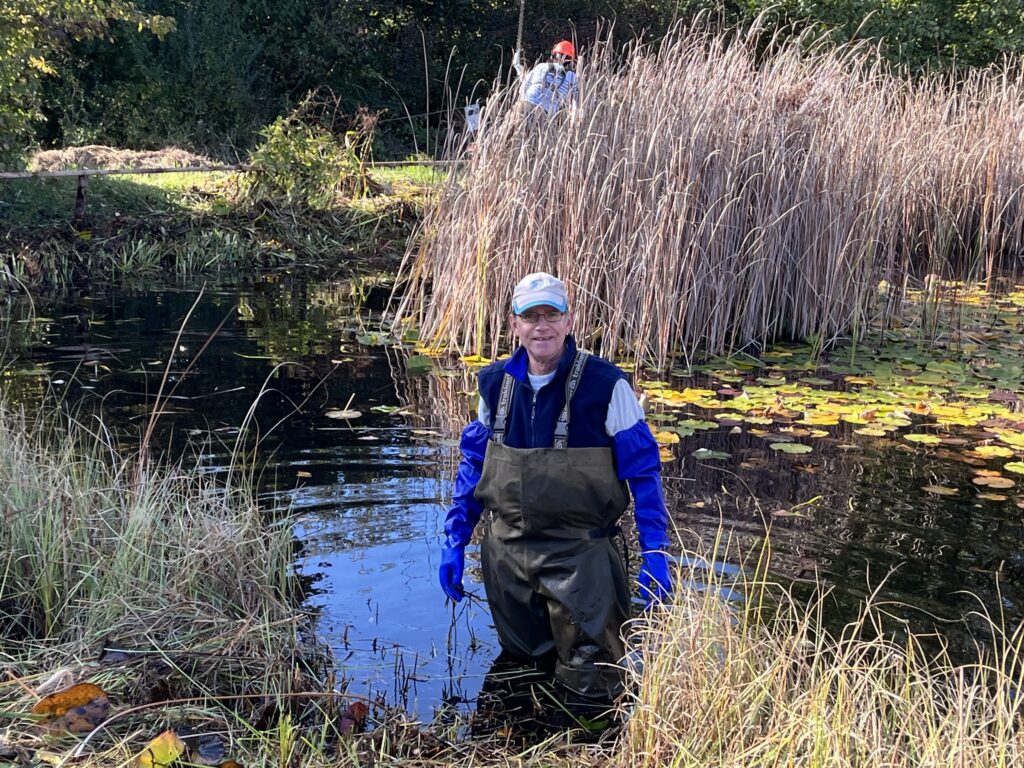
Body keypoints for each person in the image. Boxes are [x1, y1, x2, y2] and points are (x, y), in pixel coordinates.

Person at [438, 271, 673, 716]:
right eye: (531, 316)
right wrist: (455, 540)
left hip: (581, 558)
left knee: (593, 683)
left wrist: (656, 551)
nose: (541, 326)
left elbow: (643, 473)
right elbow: (473, 467)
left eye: (551, 314)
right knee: (522, 668)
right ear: (514, 324)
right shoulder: (493, 384)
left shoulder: (607, 386)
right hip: (507, 555)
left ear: (569, 321)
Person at [512, 41, 579, 116]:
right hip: (545, 113)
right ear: (570, 61)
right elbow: (577, 102)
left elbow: (524, 87)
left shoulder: (541, 66)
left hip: (525, 104)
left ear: (553, 55)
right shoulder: (572, 77)